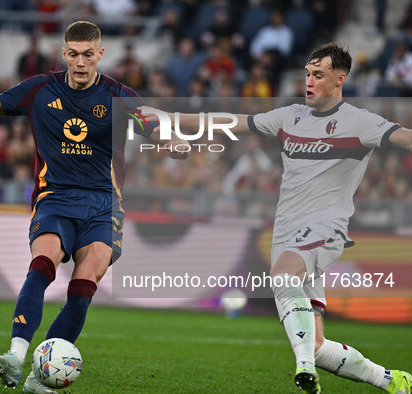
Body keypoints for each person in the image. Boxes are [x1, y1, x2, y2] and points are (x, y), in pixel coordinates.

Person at [0, 21, 176, 393]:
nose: (81, 62)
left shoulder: (119, 97)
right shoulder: (40, 89)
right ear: (64, 53)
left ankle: (41, 379)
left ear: (101, 54)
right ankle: (15, 358)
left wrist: (172, 143)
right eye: (74, 54)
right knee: (43, 261)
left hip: (104, 204)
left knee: (85, 285)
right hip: (54, 197)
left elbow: (154, 125)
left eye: (88, 55)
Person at [143, 42, 412, 394]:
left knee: (284, 275)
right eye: (307, 75)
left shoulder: (360, 122)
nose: (309, 81)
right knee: (316, 344)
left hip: (324, 229)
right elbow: (228, 122)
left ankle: (303, 369)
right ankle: (392, 381)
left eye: (318, 75)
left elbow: (404, 137)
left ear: (339, 79)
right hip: (285, 232)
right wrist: (169, 118)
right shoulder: (290, 117)